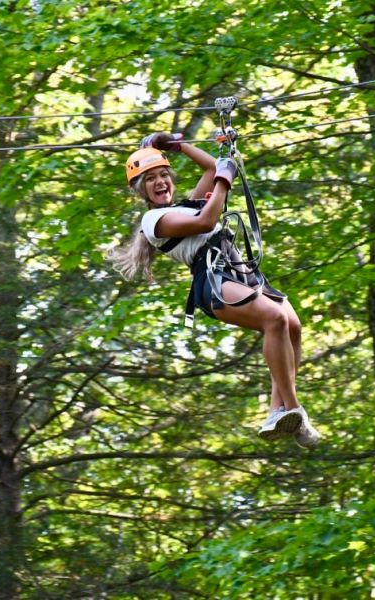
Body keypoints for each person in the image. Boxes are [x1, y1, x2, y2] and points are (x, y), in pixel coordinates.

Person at [108, 132, 320, 448]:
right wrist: (225, 180)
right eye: (150, 179)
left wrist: (178, 146)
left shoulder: (184, 207)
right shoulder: (154, 220)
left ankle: (278, 410)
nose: (160, 181)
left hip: (240, 271)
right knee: (274, 320)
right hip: (215, 281)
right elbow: (208, 220)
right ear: (141, 190)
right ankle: (293, 410)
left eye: (164, 174)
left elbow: (211, 168)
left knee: (292, 327)